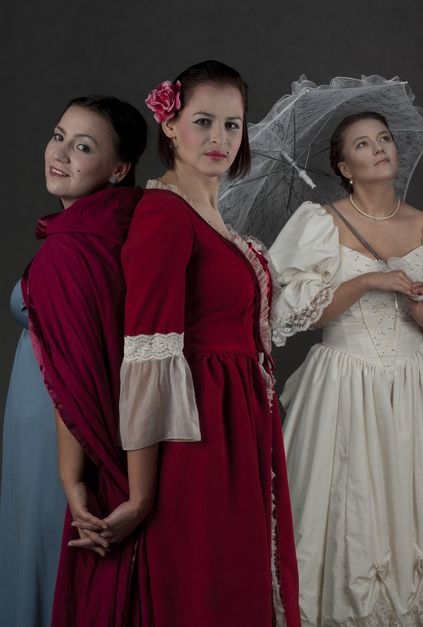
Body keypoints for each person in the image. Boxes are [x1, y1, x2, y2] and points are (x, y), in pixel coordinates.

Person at [66, 59, 300, 627]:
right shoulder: (165, 216)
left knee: (241, 583)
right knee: (208, 592)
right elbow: (147, 355)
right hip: (197, 433)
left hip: (239, 425)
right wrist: (142, 495)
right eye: (203, 121)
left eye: (232, 125)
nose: (220, 138)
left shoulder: (215, 219)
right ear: (170, 125)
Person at [269, 111, 423, 625]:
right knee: (353, 502)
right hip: (346, 380)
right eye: (363, 144)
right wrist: (367, 281)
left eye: (384, 138)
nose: (379, 148)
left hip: (422, 382)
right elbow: (303, 315)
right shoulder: (322, 224)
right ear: (345, 167)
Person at [0, 94, 146, 627]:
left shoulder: (77, 247)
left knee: (44, 562)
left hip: (56, 432)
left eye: (83, 147)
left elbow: (73, 371)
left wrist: (71, 471)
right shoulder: (108, 230)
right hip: (40, 424)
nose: (59, 153)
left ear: (119, 168)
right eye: (59, 136)